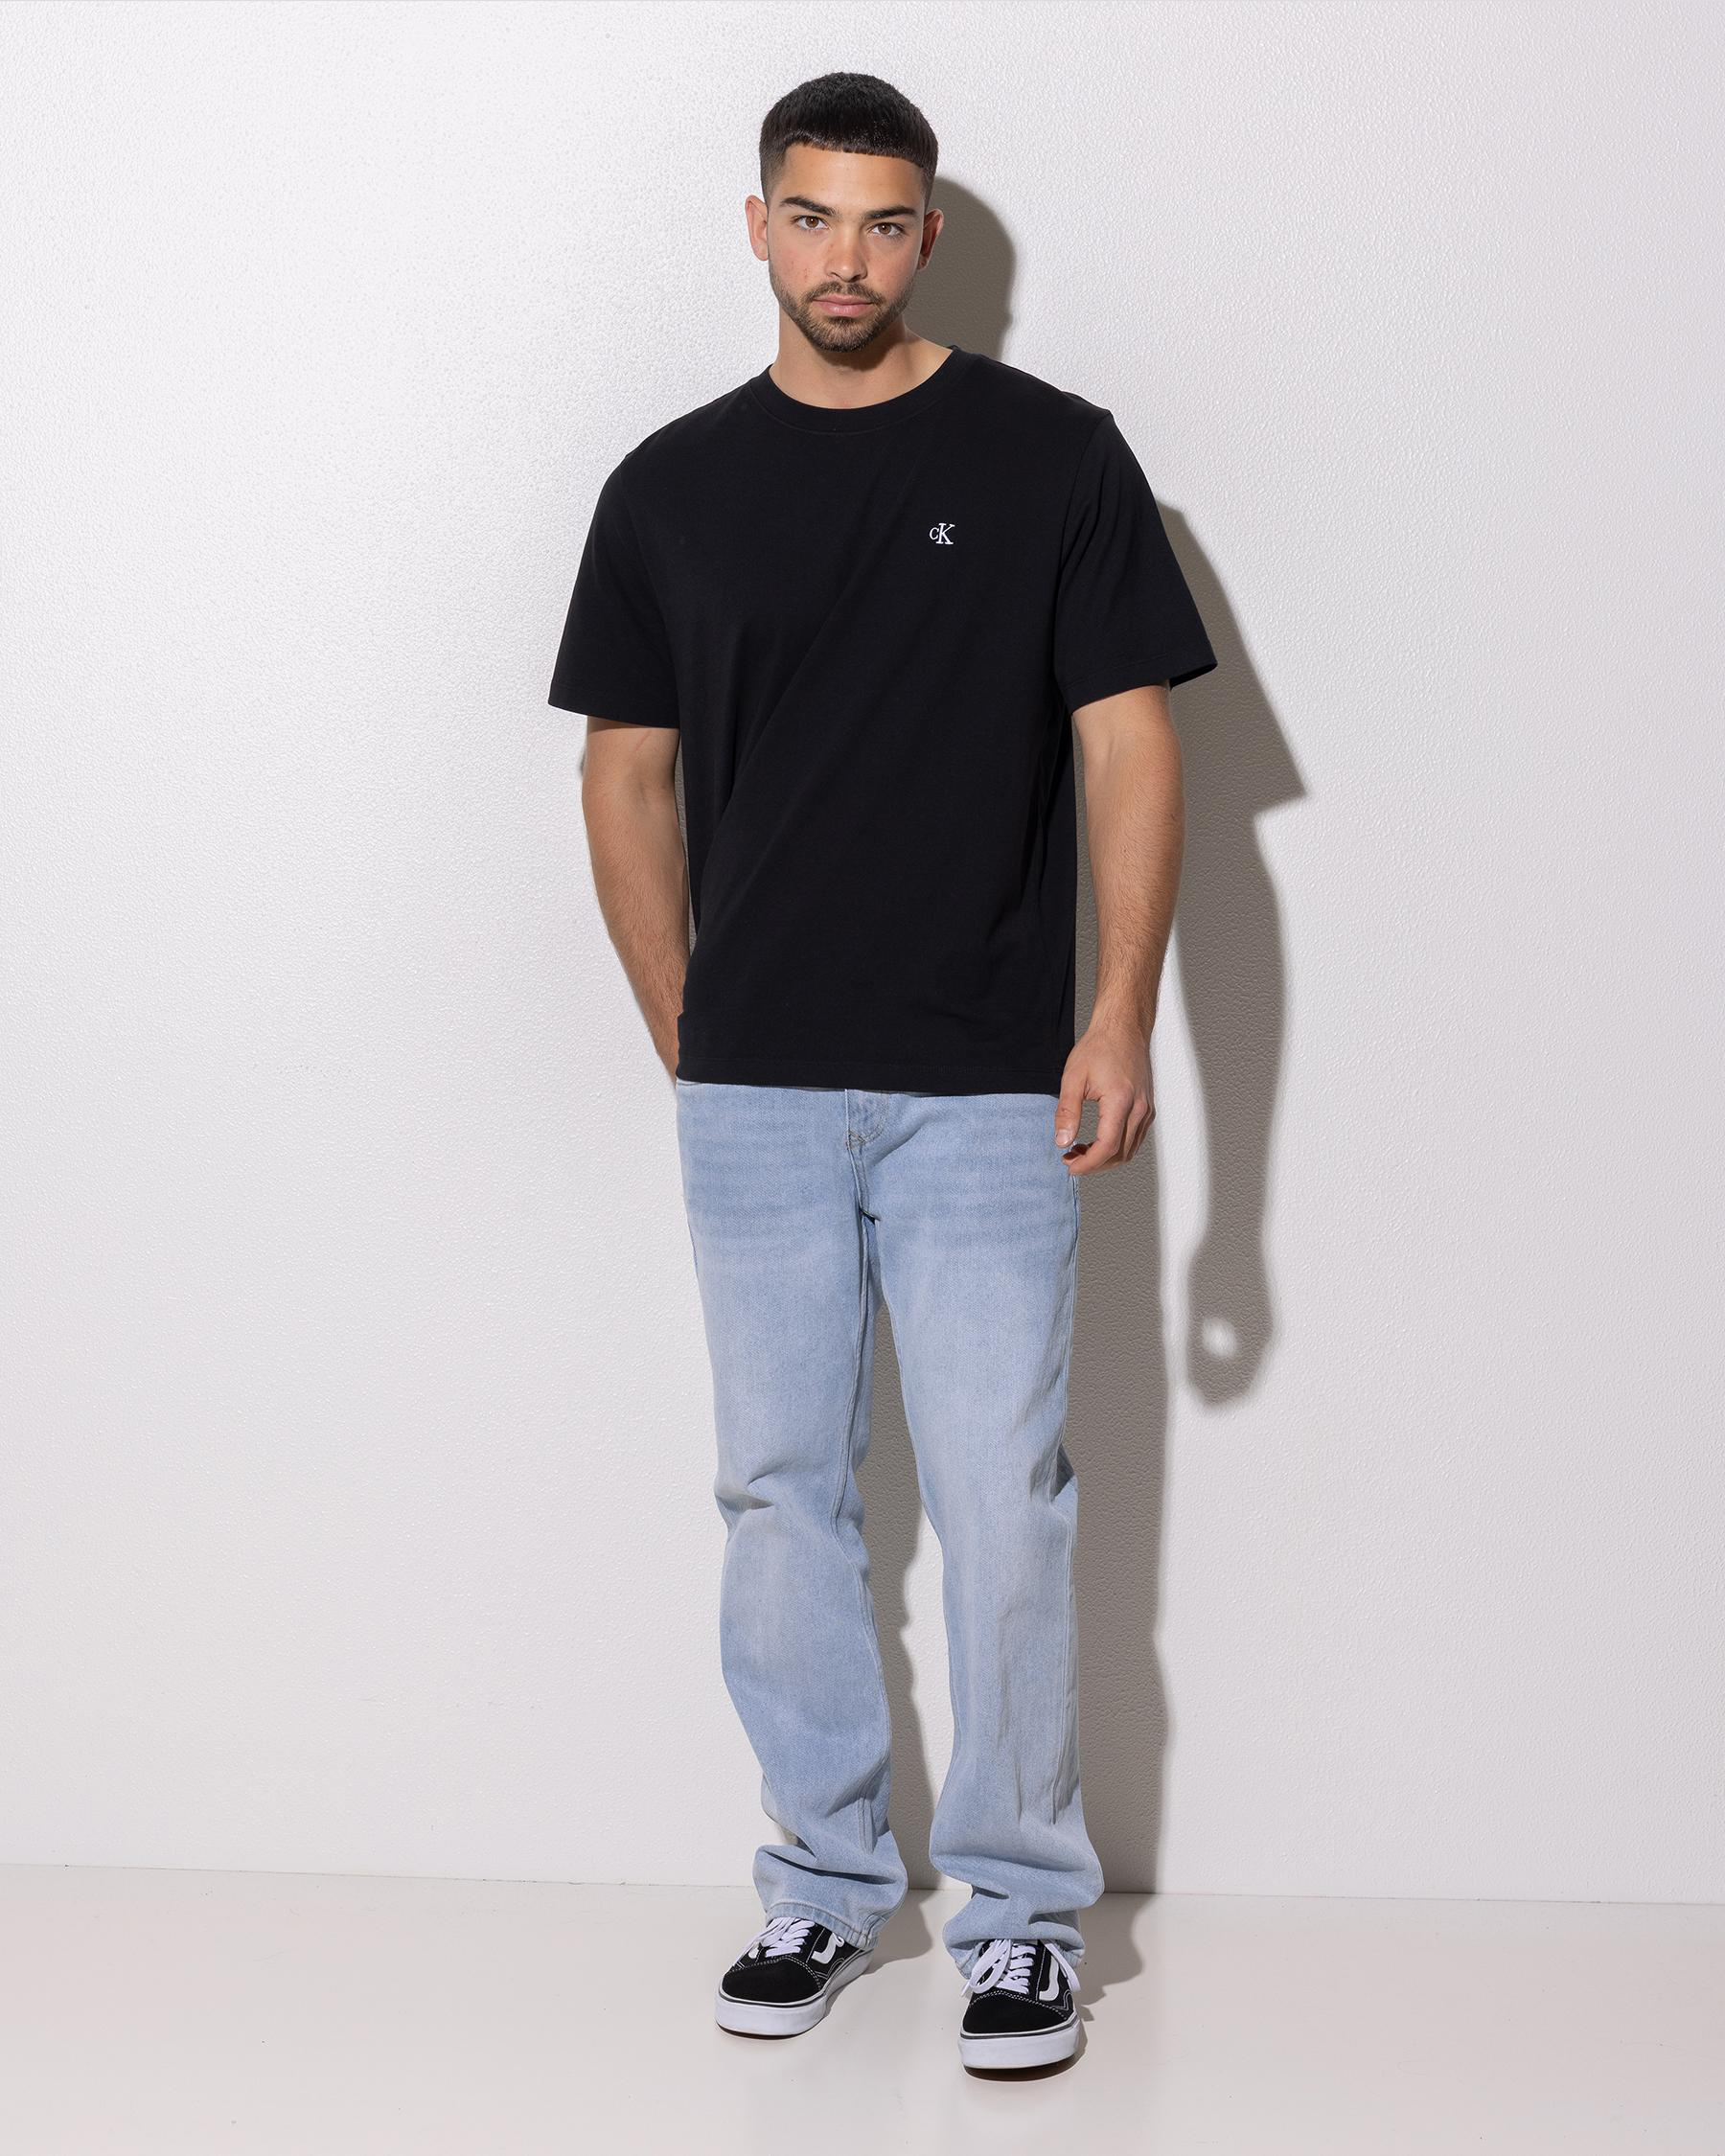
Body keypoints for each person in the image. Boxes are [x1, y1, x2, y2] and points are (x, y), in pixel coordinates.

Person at [547, 70, 1217, 2072]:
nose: (846, 257)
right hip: (754, 1086)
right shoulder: (667, 487)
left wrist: (1119, 1012)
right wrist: (685, 1021)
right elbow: (624, 774)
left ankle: (1019, 1915)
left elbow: (1131, 743)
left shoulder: (1054, 456)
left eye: (884, 219)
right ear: (757, 224)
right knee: (779, 1490)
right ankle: (825, 1886)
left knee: (1006, 1496)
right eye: (812, 215)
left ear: (929, 235)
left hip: (989, 1081)